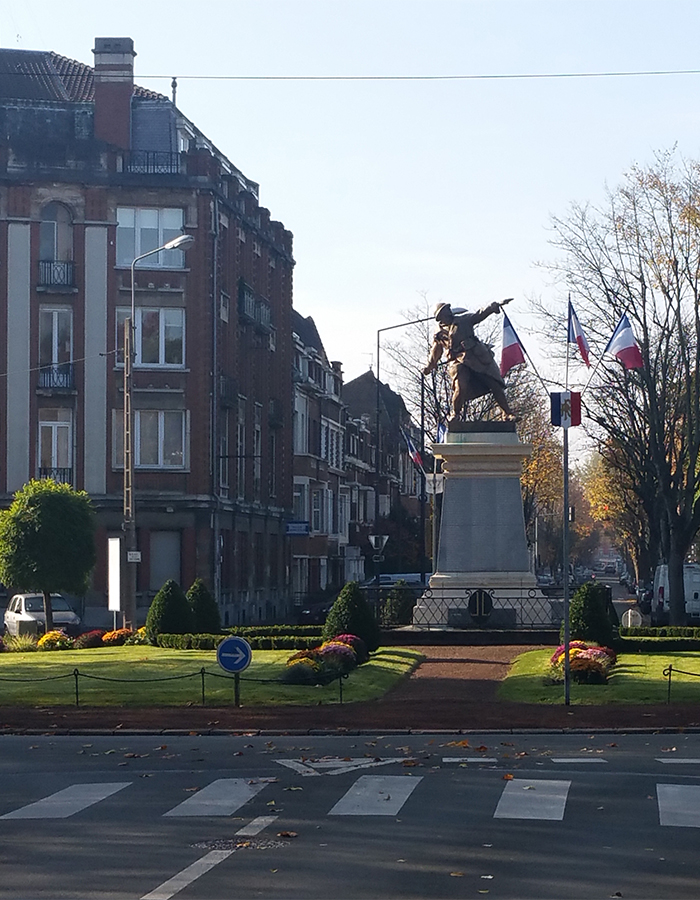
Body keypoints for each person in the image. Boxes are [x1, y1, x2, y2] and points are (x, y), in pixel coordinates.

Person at [422, 299, 517, 421]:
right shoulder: (439, 333)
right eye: (445, 312)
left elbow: (479, 315)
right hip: (457, 362)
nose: (449, 313)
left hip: (477, 357)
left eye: (448, 310)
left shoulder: (463, 320)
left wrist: (493, 306)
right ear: (440, 318)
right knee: (460, 387)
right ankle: (455, 414)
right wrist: (429, 365)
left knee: (494, 383)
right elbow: (436, 351)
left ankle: (507, 413)